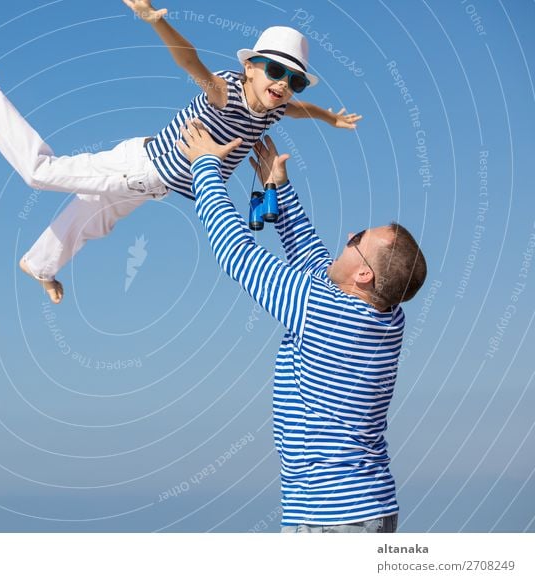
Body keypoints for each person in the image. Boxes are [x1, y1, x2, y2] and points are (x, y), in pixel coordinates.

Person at [0, 1, 361, 304]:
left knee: (92, 217)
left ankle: (41, 266)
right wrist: (157, 22)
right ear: (250, 67)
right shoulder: (225, 92)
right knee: (39, 172)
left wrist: (328, 118)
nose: (284, 84)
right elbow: (190, 62)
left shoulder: (275, 108)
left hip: (154, 182)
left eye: (295, 80)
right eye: (276, 72)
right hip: (140, 167)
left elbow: (299, 110)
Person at [177, 120, 427, 532]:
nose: (348, 235)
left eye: (357, 239)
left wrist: (205, 167)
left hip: (334, 521)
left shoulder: (325, 312)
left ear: (363, 276)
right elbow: (315, 267)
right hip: (358, 509)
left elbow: (236, 253)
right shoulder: (383, 315)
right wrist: (280, 189)